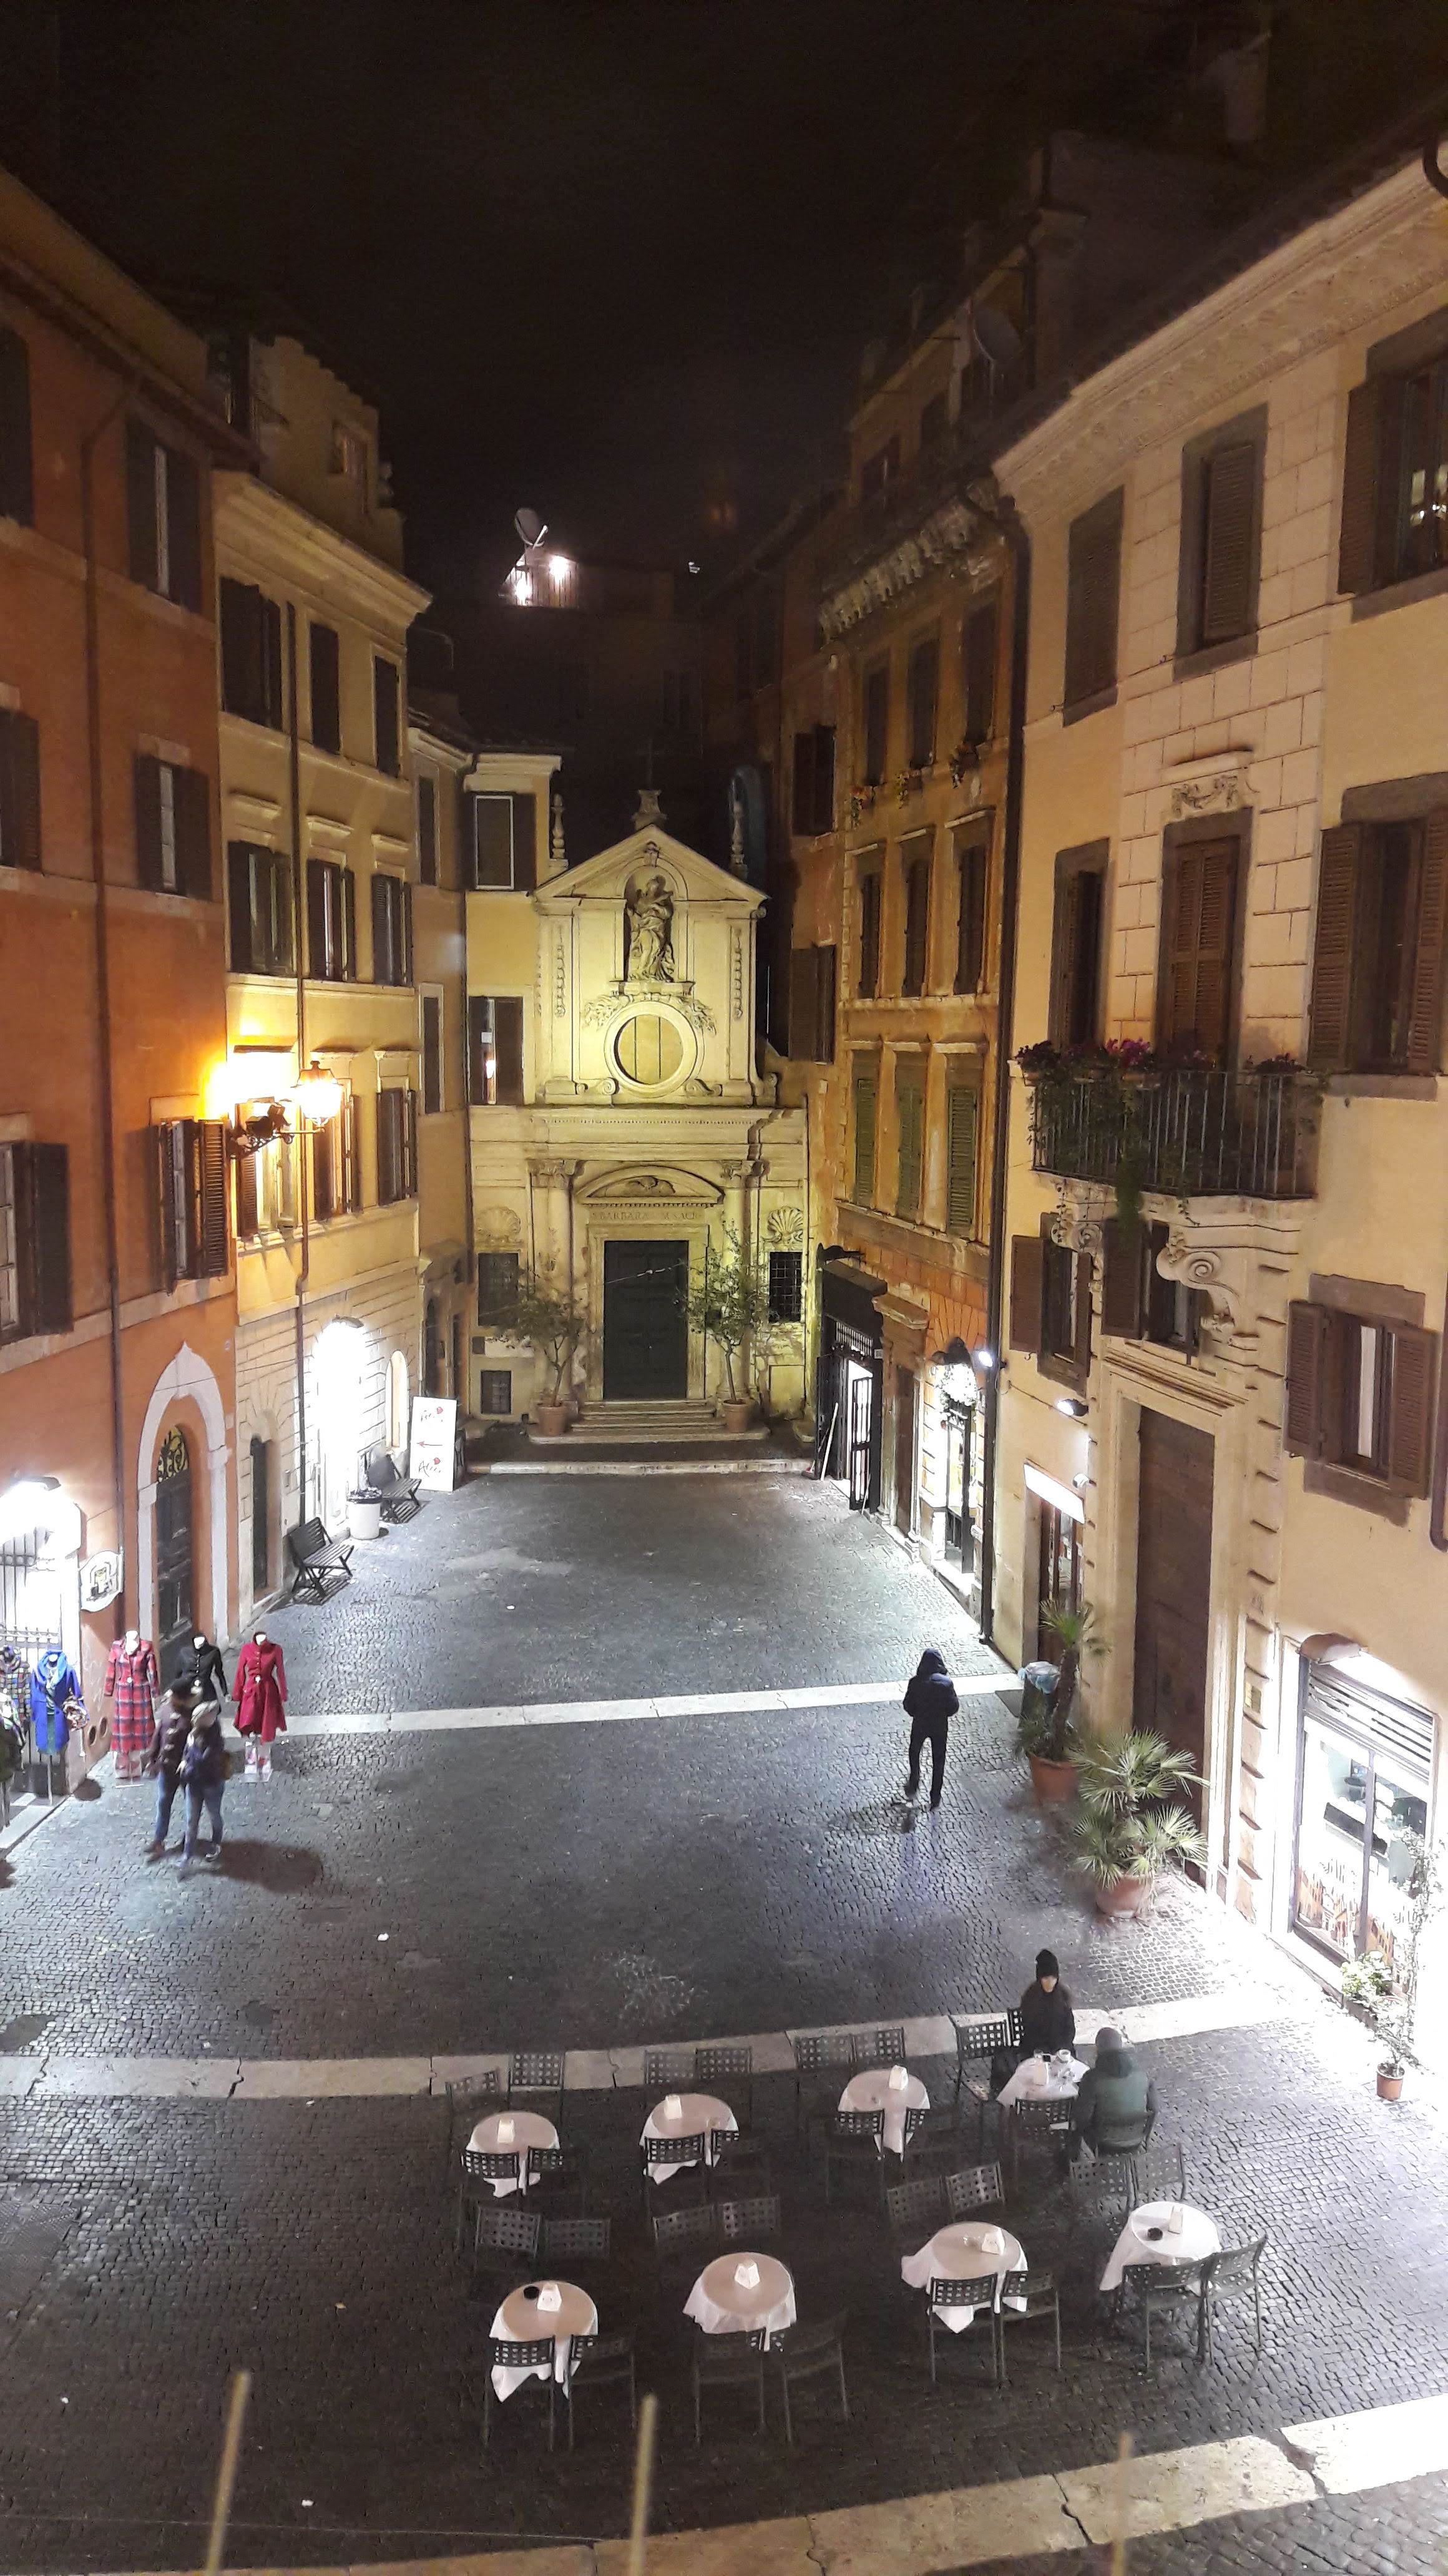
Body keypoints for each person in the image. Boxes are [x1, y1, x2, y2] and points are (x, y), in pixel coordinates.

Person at [1073, 2025, 1158, 2155]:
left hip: (1103, 2143)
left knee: (1074, 2124)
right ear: (1121, 2047)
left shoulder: (1092, 2079)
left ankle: (1073, 2157)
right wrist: (1145, 2133)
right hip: (1136, 2139)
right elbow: (1154, 2109)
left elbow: (1083, 2119)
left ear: (1097, 2050)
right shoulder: (1142, 2075)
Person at [902, 1647, 959, 1809]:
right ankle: (935, 1796)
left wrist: (917, 1713)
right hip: (939, 1726)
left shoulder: (915, 1683)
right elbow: (953, 1707)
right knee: (939, 1760)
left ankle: (914, 1779)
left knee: (914, 1752)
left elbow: (908, 1705)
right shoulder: (947, 1684)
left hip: (920, 1723)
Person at [177, 1698, 227, 1878]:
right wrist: (184, 1760)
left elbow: (203, 1760)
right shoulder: (194, 1733)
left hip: (211, 1784)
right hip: (194, 1783)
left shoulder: (215, 1739)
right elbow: (187, 1753)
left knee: (214, 1816)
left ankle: (216, 1843)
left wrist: (192, 1747)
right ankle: (187, 1854)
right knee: (191, 1820)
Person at [145, 1684, 195, 1860]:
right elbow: (158, 1735)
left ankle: (189, 1839)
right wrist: (152, 1758)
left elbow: (194, 1744)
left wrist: (187, 1761)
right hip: (166, 1768)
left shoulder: (191, 1716)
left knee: (190, 1806)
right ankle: (159, 1840)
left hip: (185, 1770)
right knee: (163, 1803)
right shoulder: (166, 1710)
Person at [1020, 1949, 1076, 2056]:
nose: (1050, 1983)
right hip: (1037, 2051)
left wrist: (1062, 2048)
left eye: (1053, 1978)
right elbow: (1030, 2032)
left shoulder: (1064, 1998)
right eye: (1046, 1978)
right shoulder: (1030, 1999)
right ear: (1039, 1979)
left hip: (1061, 2050)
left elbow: (1069, 2029)